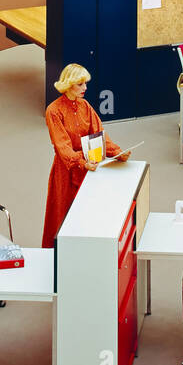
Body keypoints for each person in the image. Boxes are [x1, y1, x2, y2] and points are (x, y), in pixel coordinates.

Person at [42, 63, 129, 249]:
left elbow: (99, 135)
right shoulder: (54, 111)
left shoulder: (85, 106)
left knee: (89, 213)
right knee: (63, 215)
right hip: (66, 171)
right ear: (69, 84)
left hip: (90, 167)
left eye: (85, 84)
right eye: (80, 84)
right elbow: (62, 147)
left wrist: (117, 152)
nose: (85, 88)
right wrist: (81, 162)